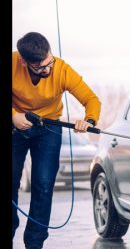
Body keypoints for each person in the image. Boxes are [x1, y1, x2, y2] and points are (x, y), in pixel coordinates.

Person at [12, 32, 101, 249]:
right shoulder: (12, 63)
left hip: (48, 128)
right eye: (40, 67)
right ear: (24, 62)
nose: (48, 69)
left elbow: (91, 99)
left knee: (43, 185)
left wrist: (88, 120)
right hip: (15, 126)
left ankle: (34, 243)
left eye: (49, 62)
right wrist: (13, 116)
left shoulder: (61, 69)